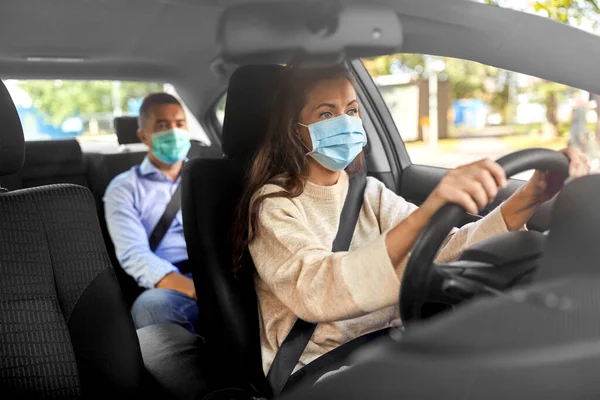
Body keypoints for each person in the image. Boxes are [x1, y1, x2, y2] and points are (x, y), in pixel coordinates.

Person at [232, 64, 590, 385]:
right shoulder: (272, 205)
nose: (344, 122)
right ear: (297, 130)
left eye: (352, 110)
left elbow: (447, 249)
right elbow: (320, 290)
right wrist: (432, 206)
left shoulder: (367, 191)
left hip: (389, 345)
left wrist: (528, 197)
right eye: (326, 113)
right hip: (318, 370)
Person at [104, 92, 199, 334]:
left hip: (220, 271)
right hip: (169, 282)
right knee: (151, 308)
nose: (174, 132)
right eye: (162, 125)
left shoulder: (206, 176)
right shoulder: (124, 187)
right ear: (143, 136)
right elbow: (134, 254)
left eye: (179, 124)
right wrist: (191, 288)